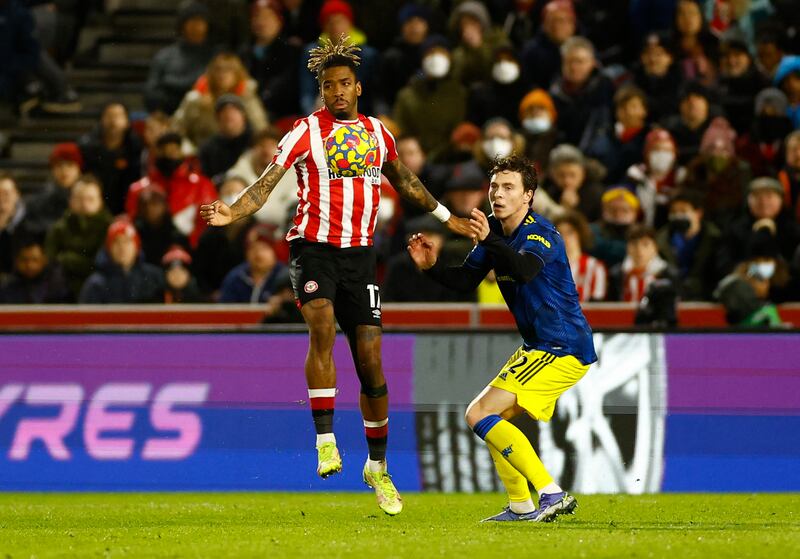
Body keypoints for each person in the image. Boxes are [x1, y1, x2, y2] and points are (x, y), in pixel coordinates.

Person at [199, 35, 471, 516]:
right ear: (321, 91)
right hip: (314, 247)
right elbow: (266, 184)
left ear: (358, 87)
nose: (337, 92)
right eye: (329, 86)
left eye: (344, 83)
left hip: (360, 256)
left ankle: (378, 468)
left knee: (371, 363)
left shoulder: (378, 133)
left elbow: (405, 180)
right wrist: (233, 213)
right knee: (321, 323)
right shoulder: (304, 131)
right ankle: (325, 439)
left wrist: (448, 217)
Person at [407, 154, 596, 522]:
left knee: (479, 413)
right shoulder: (494, 231)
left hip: (563, 346)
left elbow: (524, 269)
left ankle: (551, 493)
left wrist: (490, 240)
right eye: (494, 186)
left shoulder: (541, 233)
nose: (498, 193)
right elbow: (464, 281)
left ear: (528, 196)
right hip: (540, 347)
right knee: (492, 421)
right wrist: (431, 268)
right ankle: (521, 505)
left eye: (509, 187)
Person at [393, 36, 468, 162]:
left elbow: (460, 131)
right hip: (415, 160)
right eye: (430, 53)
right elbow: (402, 130)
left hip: (450, 159)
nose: (436, 59)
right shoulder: (407, 95)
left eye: (441, 53)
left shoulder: (460, 93)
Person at [172, 53, 267, 151]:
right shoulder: (195, 98)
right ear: (211, 73)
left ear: (238, 73)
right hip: (200, 153)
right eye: (218, 70)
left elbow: (260, 129)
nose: (223, 75)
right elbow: (177, 130)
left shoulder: (247, 97)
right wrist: (189, 150)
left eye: (228, 70)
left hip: (240, 152)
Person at [45, 175, 113, 299]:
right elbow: (51, 260)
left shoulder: (110, 229)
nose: (84, 204)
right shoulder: (59, 228)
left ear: (100, 200)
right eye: (79, 199)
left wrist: (67, 259)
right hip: (63, 292)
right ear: (71, 200)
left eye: (90, 199)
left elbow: (101, 264)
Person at [144, 0, 216, 114]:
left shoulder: (216, 57)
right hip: (169, 116)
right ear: (182, 25)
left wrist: (173, 86)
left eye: (200, 21)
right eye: (192, 21)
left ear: (207, 25)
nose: (196, 26)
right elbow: (150, 95)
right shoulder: (164, 56)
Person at [239, 0, 301, 120]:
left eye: (267, 17)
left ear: (279, 21)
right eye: (257, 17)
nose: (261, 22)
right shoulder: (243, 53)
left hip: (281, 115)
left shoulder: (291, 51)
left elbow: (286, 86)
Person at [78, 102, 143, 215]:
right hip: (94, 207)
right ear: (101, 120)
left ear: (127, 121)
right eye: (109, 116)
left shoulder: (136, 148)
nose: (113, 121)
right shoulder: (88, 148)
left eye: (118, 116)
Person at [656, 190, 721, 301]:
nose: (678, 216)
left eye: (683, 210)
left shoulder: (715, 239)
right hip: (671, 297)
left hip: (706, 297)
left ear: (698, 213)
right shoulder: (660, 240)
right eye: (674, 211)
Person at [79, 220, 164, 304]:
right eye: (116, 242)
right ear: (109, 248)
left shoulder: (154, 277)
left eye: (127, 241)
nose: (122, 247)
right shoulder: (96, 284)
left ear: (136, 246)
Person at [218, 224, 285, 303]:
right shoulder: (235, 277)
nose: (258, 254)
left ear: (273, 251)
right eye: (253, 249)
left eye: (264, 248)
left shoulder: (287, 276)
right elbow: (225, 309)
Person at [553, 211, 607, 302]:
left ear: (580, 235)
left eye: (569, 233)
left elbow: (597, 306)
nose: (564, 238)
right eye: (560, 233)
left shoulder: (595, 267)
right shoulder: (546, 267)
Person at [27, 143, 83, 230]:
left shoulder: (87, 196)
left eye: (70, 165)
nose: (64, 171)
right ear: (53, 169)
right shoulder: (42, 198)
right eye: (59, 165)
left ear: (78, 169)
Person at [0, 235, 70, 304]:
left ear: (44, 260)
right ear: (16, 261)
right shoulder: (7, 286)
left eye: (35, 260)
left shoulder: (57, 285)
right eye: (24, 260)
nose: (29, 265)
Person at [199, 94, 253, 182]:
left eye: (233, 110)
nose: (228, 114)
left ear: (243, 116)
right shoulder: (208, 148)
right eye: (223, 112)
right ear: (217, 120)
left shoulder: (256, 142)